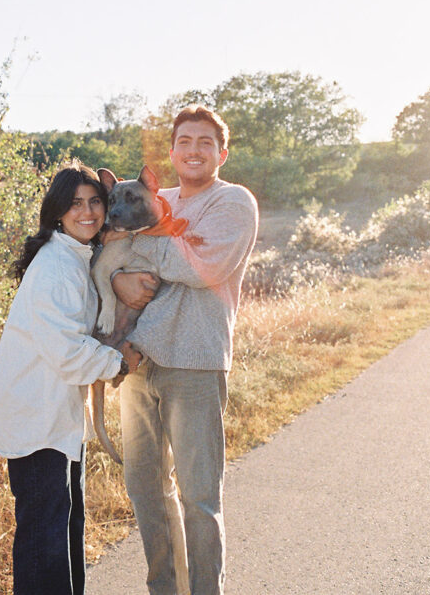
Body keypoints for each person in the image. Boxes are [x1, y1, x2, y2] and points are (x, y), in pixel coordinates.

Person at [109, 105, 258, 595]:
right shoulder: (155, 197)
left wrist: (139, 248)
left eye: (205, 143)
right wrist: (117, 275)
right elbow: (114, 252)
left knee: (199, 496)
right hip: (135, 363)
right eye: (185, 141)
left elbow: (203, 268)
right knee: (146, 492)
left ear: (221, 152)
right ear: (171, 152)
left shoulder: (232, 202)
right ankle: (163, 589)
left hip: (194, 363)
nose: (194, 150)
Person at [0, 161, 143, 595]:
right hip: (38, 423)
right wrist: (119, 363)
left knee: (65, 534)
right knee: (45, 545)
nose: (88, 212)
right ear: (58, 211)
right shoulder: (55, 266)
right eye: (75, 204)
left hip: (58, 422)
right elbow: (67, 352)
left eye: (95, 202)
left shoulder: (75, 257)